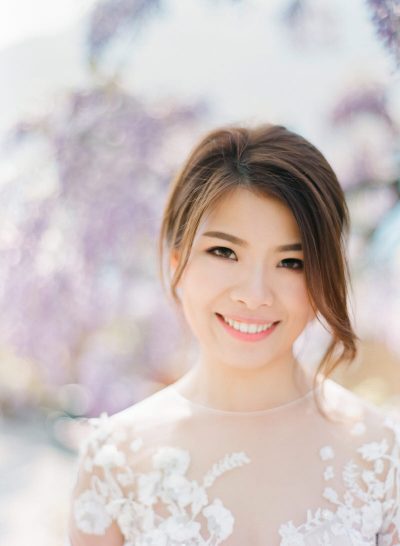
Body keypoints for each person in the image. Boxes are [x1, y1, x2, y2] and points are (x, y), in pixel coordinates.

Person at [67, 123, 400, 546]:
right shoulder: (115, 461)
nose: (254, 295)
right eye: (224, 252)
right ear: (176, 261)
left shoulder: (381, 457)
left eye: (291, 262)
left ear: (324, 277)